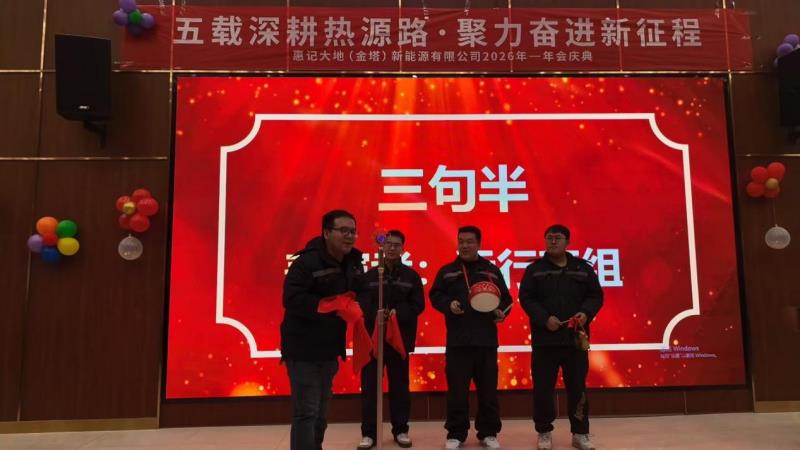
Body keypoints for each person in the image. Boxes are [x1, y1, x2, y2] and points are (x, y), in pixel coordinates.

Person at [281, 209, 364, 450]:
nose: (349, 236)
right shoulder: (305, 263)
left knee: (320, 412)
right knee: (306, 412)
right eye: (343, 231)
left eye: (353, 231)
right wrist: (331, 305)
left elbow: (361, 291)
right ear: (326, 233)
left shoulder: (354, 262)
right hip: (303, 348)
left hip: (329, 348)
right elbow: (292, 299)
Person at [518, 224, 604, 450]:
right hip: (545, 341)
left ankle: (580, 433)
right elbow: (526, 298)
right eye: (549, 238)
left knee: (578, 388)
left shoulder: (582, 268)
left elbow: (595, 295)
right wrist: (544, 318)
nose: (553, 241)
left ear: (568, 242)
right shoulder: (535, 269)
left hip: (574, 340)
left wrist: (586, 313)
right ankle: (544, 432)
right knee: (543, 389)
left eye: (557, 238)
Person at [429, 225, 512, 450]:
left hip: (486, 341)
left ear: (479, 244)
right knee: (457, 391)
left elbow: (506, 299)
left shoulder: (491, 271)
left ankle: (488, 432)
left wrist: (501, 312)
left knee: (488, 390)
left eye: (469, 242)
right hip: (458, 341)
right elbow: (435, 295)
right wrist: (448, 304)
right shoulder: (447, 271)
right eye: (461, 241)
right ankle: (456, 433)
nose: (464, 246)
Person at [357, 230, 425, 449]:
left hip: (399, 340)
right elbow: (361, 302)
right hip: (372, 340)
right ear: (382, 247)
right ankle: (369, 433)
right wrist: (374, 314)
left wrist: (398, 313)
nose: (392, 248)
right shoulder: (370, 276)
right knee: (370, 387)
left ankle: (401, 430)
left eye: (397, 245)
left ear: (403, 248)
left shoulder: (411, 276)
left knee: (400, 387)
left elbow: (418, 305)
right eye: (389, 244)